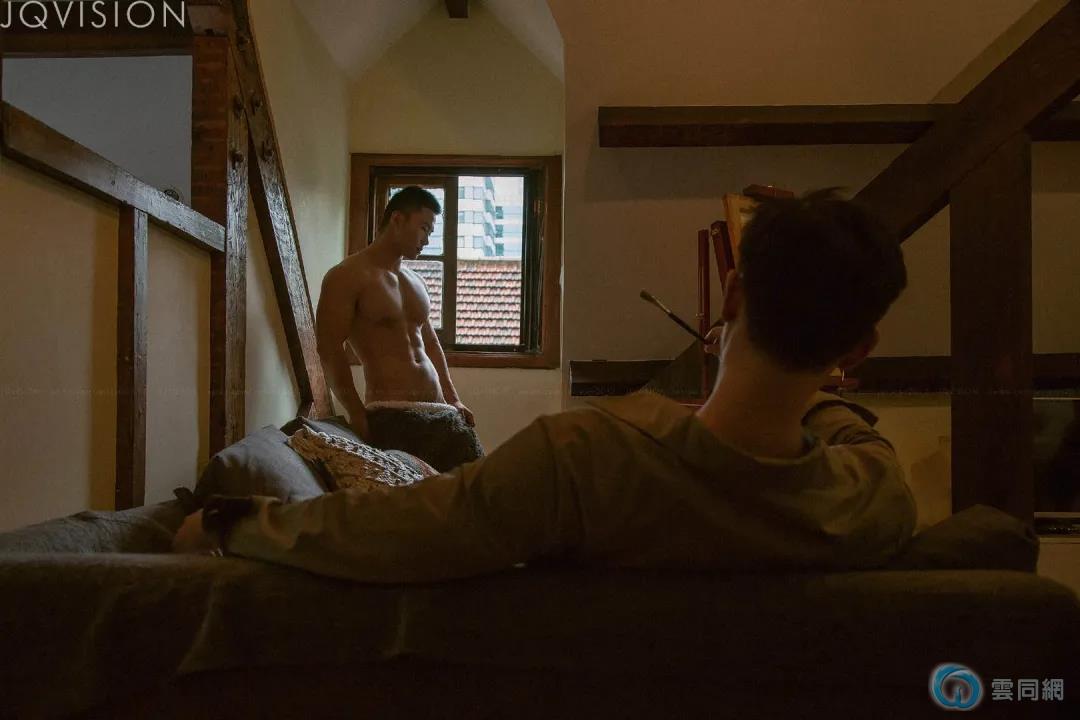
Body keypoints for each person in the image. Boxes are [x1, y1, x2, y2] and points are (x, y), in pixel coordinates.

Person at [175, 189, 916, 582]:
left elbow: (403, 529)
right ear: (859, 349)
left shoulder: (583, 458)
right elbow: (854, 432)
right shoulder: (877, 496)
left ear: (730, 296)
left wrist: (234, 523)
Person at [314, 185, 482, 472]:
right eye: (423, 228)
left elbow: (430, 344)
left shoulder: (416, 281)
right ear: (397, 219)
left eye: (430, 232)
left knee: (479, 486)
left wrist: (454, 399)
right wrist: (356, 412)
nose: (426, 239)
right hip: (391, 414)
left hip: (440, 410)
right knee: (412, 493)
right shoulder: (346, 276)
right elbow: (329, 349)